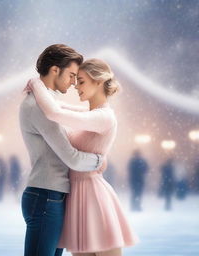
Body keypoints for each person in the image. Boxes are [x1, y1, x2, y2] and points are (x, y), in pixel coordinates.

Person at [26, 58, 139, 255]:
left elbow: (54, 113)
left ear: (98, 81)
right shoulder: (92, 113)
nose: (76, 87)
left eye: (81, 81)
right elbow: (58, 107)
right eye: (76, 80)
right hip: (75, 195)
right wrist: (41, 88)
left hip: (93, 195)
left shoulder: (104, 117)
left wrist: (36, 84)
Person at [19, 44, 104, 256]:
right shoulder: (39, 106)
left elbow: (73, 114)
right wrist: (99, 160)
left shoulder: (46, 101)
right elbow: (72, 158)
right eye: (72, 75)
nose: (74, 82)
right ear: (55, 70)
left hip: (50, 195)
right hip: (46, 196)